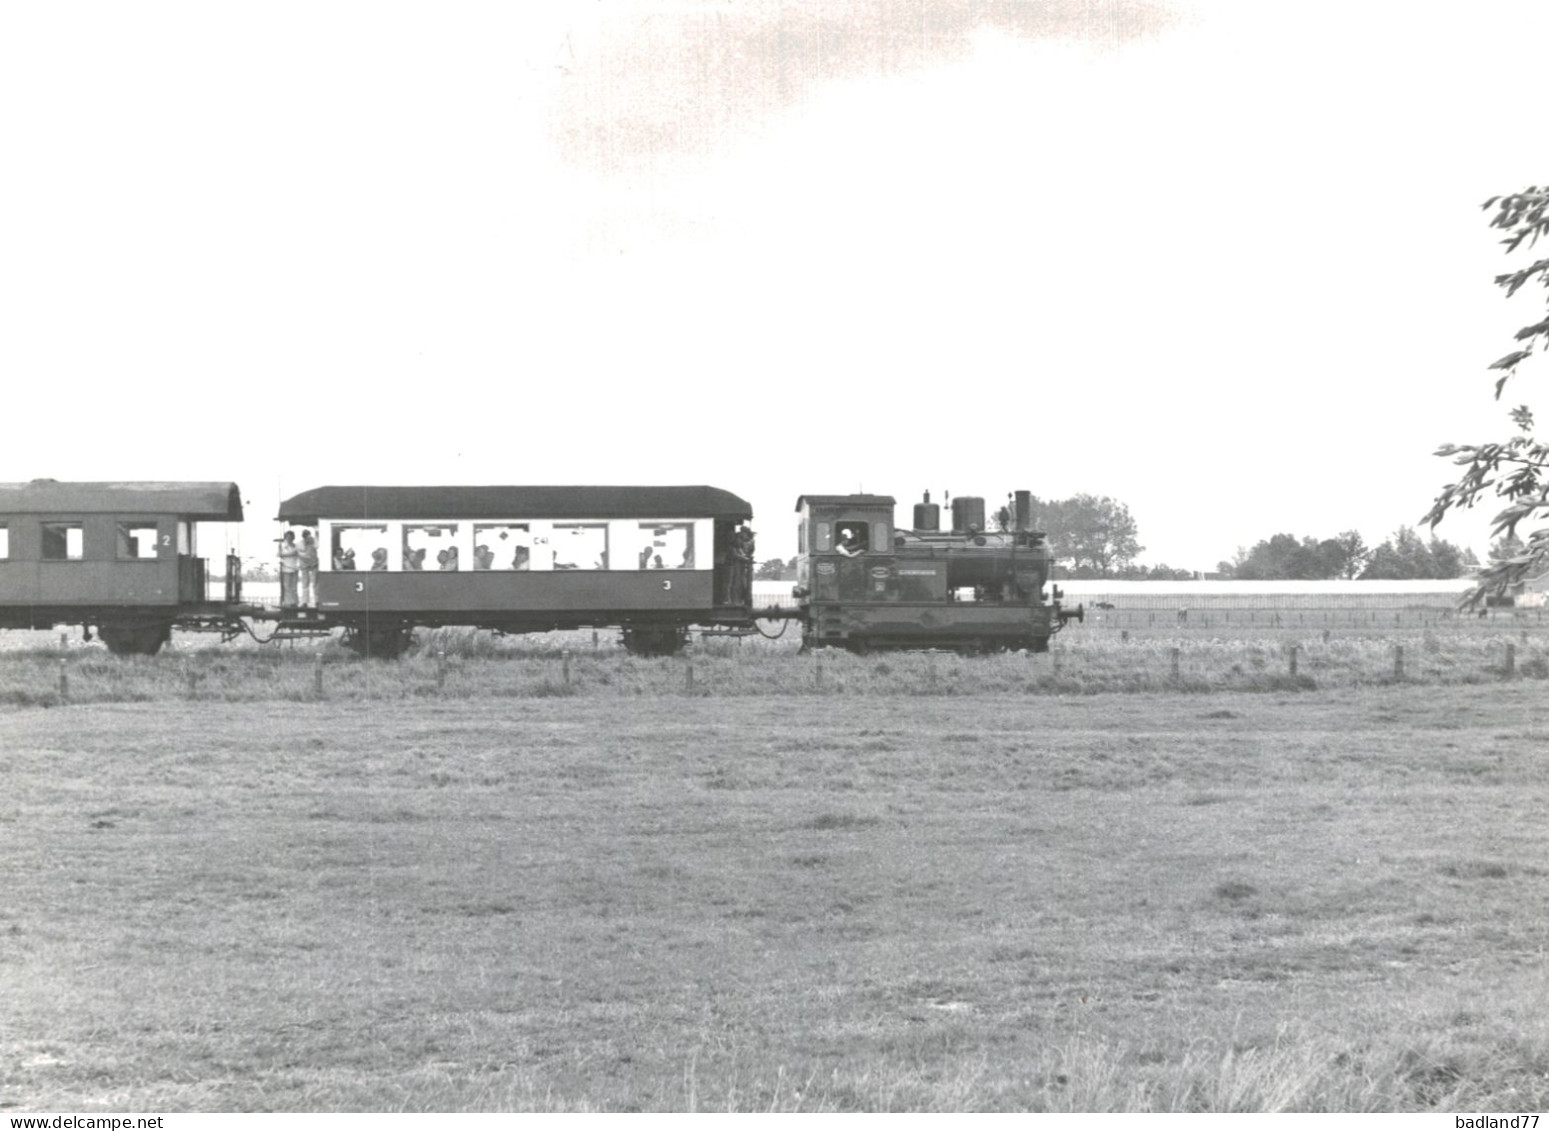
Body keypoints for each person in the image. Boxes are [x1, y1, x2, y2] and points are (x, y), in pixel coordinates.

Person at [297, 530, 319, 608]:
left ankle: (317, 601)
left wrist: (315, 538)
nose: (307, 538)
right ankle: (305, 601)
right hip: (304, 564)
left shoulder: (313, 541)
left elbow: (317, 546)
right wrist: (306, 556)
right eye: (306, 536)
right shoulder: (300, 543)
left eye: (308, 536)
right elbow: (300, 553)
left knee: (315, 582)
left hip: (314, 563)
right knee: (305, 583)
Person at [277, 531, 299, 609]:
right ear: (285, 538)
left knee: (294, 587)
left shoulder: (296, 546)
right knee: (287, 587)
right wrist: (291, 554)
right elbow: (279, 555)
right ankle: (287, 603)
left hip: (295, 568)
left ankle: (294, 603)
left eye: (290, 537)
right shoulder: (282, 546)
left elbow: (297, 553)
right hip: (286, 568)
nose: (289, 538)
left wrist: (287, 554)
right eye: (287, 537)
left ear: (293, 538)